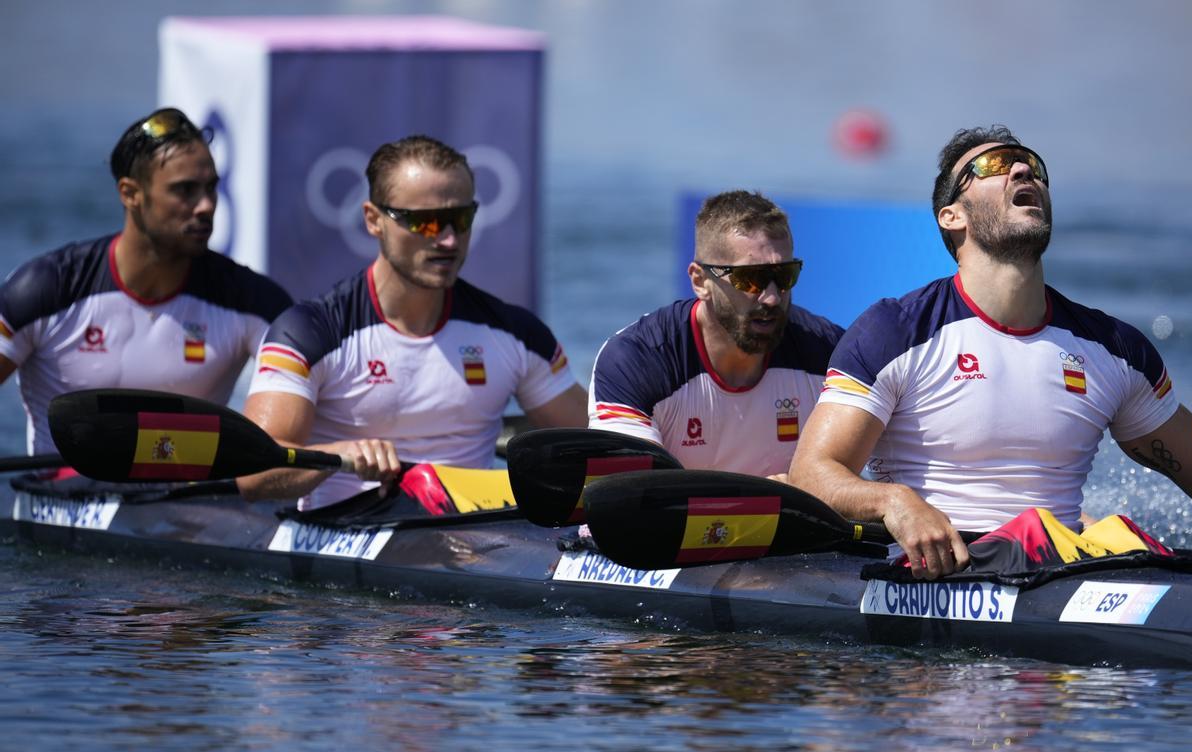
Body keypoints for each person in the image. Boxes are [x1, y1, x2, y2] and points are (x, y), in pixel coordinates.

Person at [787, 124, 1192, 578]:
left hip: (1063, 571)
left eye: (1034, 166)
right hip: (943, 569)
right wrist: (894, 502)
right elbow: (812, 474)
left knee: (1128, 543)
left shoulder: (1114, 348)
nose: (1025, 170)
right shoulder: (894, 332)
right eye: (996, 166)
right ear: (952, 216)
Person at [238, 134, 587, 508]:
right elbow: (252, 474)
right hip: (344, 526)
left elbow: (603, 443)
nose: (450, 241)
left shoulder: (517, 334)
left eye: (460, 218)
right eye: (427, 223)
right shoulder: (307, 333)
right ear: (373, 220)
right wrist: (340, 456)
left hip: (475, 535)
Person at [0, 108, 292, 455]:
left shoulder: (254, 302)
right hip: (58, 496)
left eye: (211, 188)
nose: (206, 206)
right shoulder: (43, 289)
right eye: (185, 190)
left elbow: (319, 417)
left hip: (188, 503)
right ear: (130, 194)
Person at [588, 190, 843, 476]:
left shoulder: (831, 353)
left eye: (784, 276)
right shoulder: (634, 360)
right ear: (700, 281)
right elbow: (634, 497)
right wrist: (774, 496)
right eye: (751, 279)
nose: (772, 298)